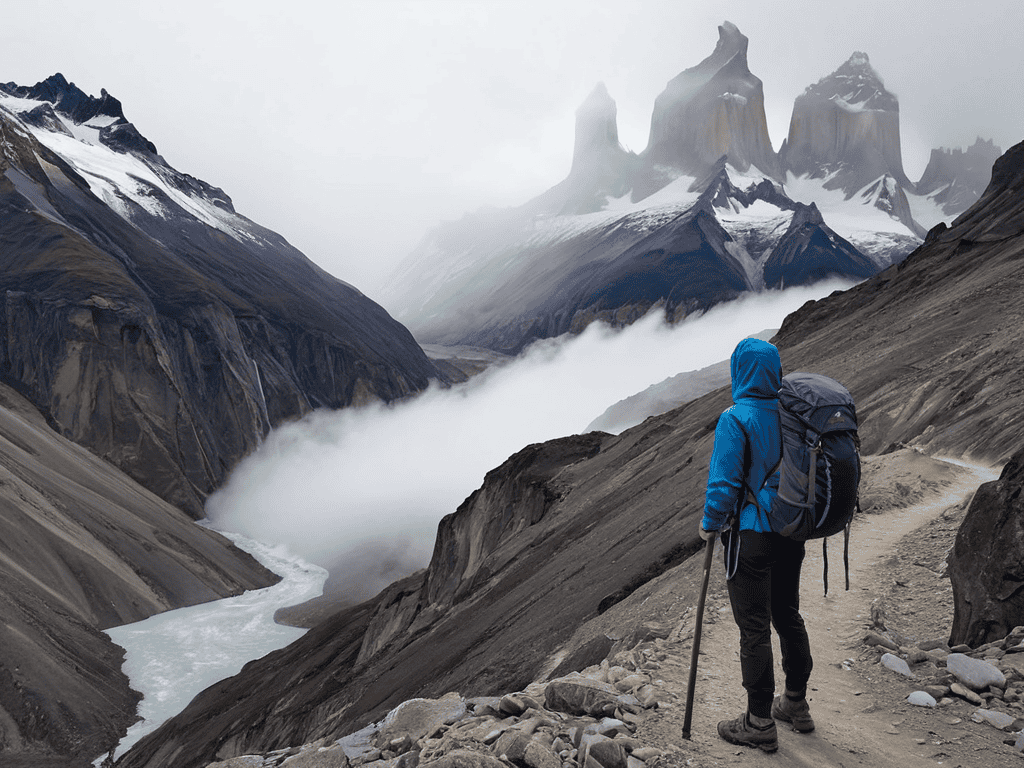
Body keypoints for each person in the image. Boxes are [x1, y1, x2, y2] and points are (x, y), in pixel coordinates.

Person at [698, 337, 815, 753]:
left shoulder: (736, 418)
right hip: (792, 533)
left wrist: (709, 525)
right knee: (788, 614)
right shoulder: (795, 416)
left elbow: (725, 484)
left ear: (739, 371)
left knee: (753, 628)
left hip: (752, 536)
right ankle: (796, 705)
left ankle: (759, 721)